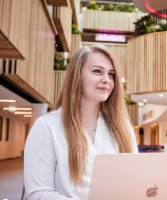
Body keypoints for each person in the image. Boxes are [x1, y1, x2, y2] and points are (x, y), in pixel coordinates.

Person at [24, 45, 138, 200]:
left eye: (111, 74)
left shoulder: (122, 127)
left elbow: (134, 182)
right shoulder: (47, 126)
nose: (106, 80)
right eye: (97, 71)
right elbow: (38, 194)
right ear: (77, 76)